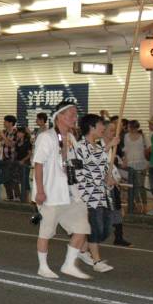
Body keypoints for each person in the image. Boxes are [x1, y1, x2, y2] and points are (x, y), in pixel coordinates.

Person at [32, 99, 91, 279]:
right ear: (60, 116)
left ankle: (68, 264)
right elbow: (38, 164)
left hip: (71, 192)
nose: (75, 118)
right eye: (71, 114)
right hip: (51, 193)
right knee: (46, 232)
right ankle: (43, 266)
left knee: (82, 227)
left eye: (75, 114)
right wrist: (40, 191)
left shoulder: (71, 138)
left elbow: (75, 161)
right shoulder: (47, 137)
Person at [74, 114, 117, 273]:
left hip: (102, 194)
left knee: (105, 230)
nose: (103, 129)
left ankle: (82, 250)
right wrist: (108, 147)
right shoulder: (79, 147)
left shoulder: (99, 147)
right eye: (101, 126)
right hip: (88, 195)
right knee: (95, 228)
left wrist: (110, 177)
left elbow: (104, 167)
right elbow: (87, 164)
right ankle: (97, 261)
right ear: (91, 127)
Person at [123, 119, 148, 213]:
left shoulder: (143, 136)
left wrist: (148, 163)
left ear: (133, 127)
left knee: (140, 186)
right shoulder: (126, 136)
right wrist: (125, 160)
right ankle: (136, 204)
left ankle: (145, 205)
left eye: (129, 126)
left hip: (141, 163)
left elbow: (148, 149)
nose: (128, 128)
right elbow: (125, 149)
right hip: (130, 163)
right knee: (132, 185)